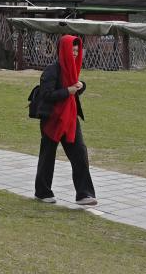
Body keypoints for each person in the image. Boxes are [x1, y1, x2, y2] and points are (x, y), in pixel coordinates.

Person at [34, 35, 96, 206]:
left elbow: (75, 88)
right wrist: (67, 91)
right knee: (47, 156)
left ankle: (84, 194)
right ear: (63, 50)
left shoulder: (73, 68)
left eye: (77, 51)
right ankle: (42, 191)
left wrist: (81, 86)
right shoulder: (51, 71)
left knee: (80, 154)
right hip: (52, 119)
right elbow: (46, 95)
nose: (75, 54)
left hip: (70, 119)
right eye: (72, 50)